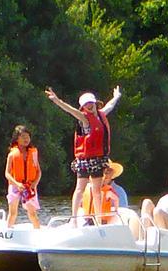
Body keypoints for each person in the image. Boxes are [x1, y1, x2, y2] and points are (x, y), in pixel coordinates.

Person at [44, 84, 121, 222]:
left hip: (98, 159)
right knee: (80, 188)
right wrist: (56, 100)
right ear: (83, 107)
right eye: (86, 104)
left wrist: (116, 97)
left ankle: (98, 218)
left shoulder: (101, 115)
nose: (89, 106)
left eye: (90, 103)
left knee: (97, 190)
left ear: (95, 103)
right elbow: (70, 110)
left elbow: (110, 106)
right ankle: (73, 219)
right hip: (85, 159)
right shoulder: (84, 118)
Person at [4, 125, 41, 228]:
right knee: (13, 213)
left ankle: (38, 232)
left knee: (32, 214)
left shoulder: (33, 153)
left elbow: (38, 171)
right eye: (23, 137)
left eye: (28, 137)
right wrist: (17, 184)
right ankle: (8, 231)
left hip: (29, 186)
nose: (26, 139)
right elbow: (7, 173)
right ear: (17, 138)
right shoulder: (12, 154)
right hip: (15, 186)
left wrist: (34, 183)